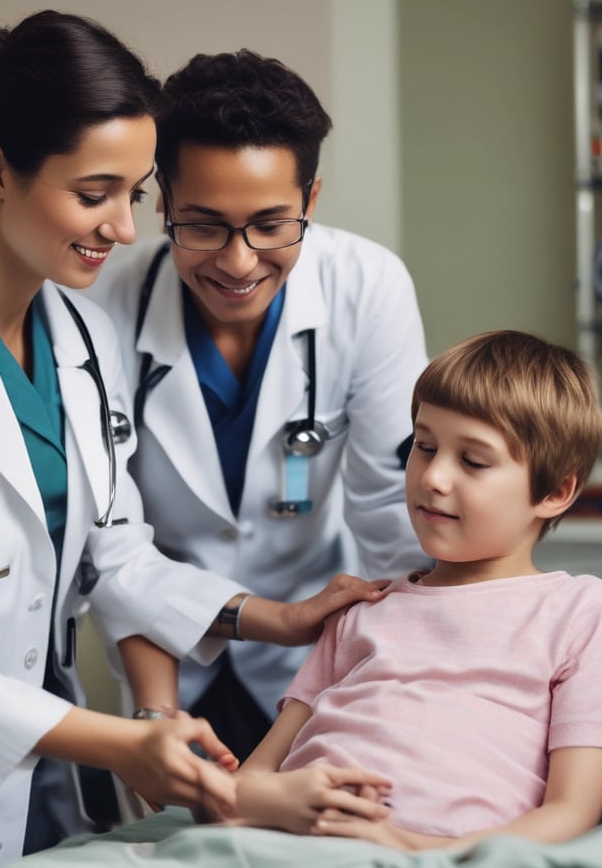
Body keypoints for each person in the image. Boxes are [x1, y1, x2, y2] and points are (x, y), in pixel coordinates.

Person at [0, 12, 384, 868]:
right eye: (94, 194)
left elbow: (117, 556)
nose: (125, 231)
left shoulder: (81, 334)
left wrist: (278, 617)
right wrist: (131, 743)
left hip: (48, 783)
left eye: (133, 196)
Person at [89, 49, 430, 759]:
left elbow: (395, 517)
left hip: (321, 654)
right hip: (167, 653)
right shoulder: (99, 306)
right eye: (204, 225)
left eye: (271, 224)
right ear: (162, 206)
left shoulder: (367, 288)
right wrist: (156, 720)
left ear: (310, 201)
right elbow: (110, 541)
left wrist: (413, 682)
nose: (239, 263)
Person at [225, 330, 602, 850]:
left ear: (555, 491)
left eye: (472, 461)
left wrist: (409, 847)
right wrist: (280, 803)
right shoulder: (364, 608)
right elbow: (248, 783)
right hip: (293, 842)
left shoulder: (580, 614)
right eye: (424, 447)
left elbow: (573, 811)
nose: (434, 477)